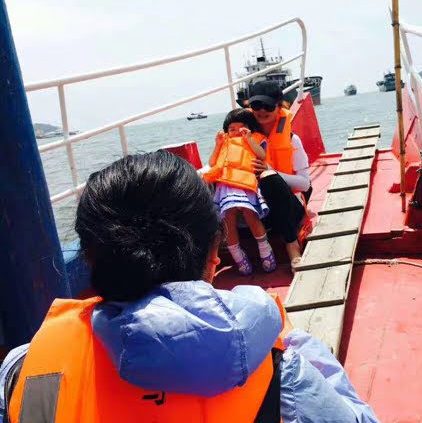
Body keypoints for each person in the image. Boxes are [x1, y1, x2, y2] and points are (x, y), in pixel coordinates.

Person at [0, 151, 378, 423]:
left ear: (89, 257)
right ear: (214, 252)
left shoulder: (21, 370)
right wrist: (304, 350)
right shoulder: (284, 371)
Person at [247, 81, 311, 272]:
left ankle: (292, 247)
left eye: (268, 106)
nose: (262, 111)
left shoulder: (292, 139)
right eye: (257, 105)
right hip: (259, 211)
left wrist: (271, 171)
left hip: (289, 208)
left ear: (279, 106)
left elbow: (305, 184)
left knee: (269, 178)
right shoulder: (244, 137)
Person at [205, 108, 276, 275]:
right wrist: (217, 145)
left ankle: (265, 249)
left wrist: (249, 139)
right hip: (226, 185)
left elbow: (261, 155)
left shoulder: (255, 139)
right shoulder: (224, 142)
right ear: (226, 131)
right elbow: (213, 162)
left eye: (241, 128)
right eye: (232, 129)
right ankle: (237, 256)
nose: (237, 132)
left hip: (245, 183)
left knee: (250, 215)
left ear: (250, 128)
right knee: (228, 221)